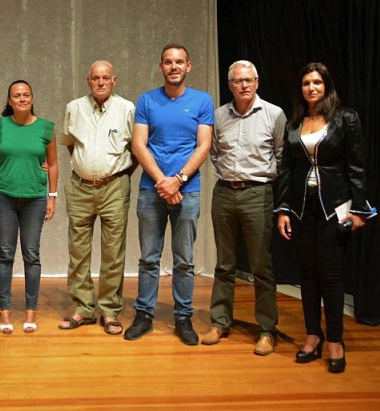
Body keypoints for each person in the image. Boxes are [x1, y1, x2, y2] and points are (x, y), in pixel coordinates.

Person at [276, 62, 373, 373]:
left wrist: (359, 210)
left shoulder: (346, 118)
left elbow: (356, 166)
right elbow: (287, 170)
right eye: (306, 83)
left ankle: (335, 340)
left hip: (335, 206)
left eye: (317, 82)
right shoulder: (295, 124)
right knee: (307, 275)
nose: (311, 88)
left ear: (327, 86)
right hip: (302, 208)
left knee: (330, 276)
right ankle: (311, 336)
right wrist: (283, 209)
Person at [125, 44, 214, 344]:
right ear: (161, 66)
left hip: (187, 191)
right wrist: (164, 181)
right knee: (148, 259)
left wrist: (179, 179)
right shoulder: (147, 100)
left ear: (188, 66)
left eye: (179, 62)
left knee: (184, 260)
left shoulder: (202, 100)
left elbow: (203, 145)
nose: (173, 66)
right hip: (152, 190)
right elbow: (139, 144)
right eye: (168, 62)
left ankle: (183, 318)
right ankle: (144, 315)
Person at [202, 60, 286, 355]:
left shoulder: (274, 114)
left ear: (257, 82)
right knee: (224, 264)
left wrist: (255, 178)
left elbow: (280, 154)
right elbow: (213, 153)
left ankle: (266, 329)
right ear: (230, 85)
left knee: (261, 267)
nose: (244, 85)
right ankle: (220, 321)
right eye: (238, 81)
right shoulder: (218, 115)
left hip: (258, 193)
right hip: (224, 193)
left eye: (249, 80)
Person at [58, 61, 135, 335]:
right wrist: (87, 170)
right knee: (78, 251)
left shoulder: (127, 109)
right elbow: (69, 144)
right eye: (95, 78)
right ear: (87, 80)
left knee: (113, 252)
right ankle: (83, 308)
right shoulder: (73, 108)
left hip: (114, 186)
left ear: (114, 80)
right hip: (80, 187)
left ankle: (111, 311)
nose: (100, 82)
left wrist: (111, 174)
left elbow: (135, 150)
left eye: (105, 78)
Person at [0, 79, 58, 334]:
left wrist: (51, 196)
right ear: (9, 100)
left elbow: (52, 164)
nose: (21, 99)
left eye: (26, 95)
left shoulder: (46, 128)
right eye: (16, 96)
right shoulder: (0, 126)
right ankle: (4, 312)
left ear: (32, 98)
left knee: (32, 255)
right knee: (5, 253)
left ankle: (31, 312)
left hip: (35, 199)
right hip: (5, 198)